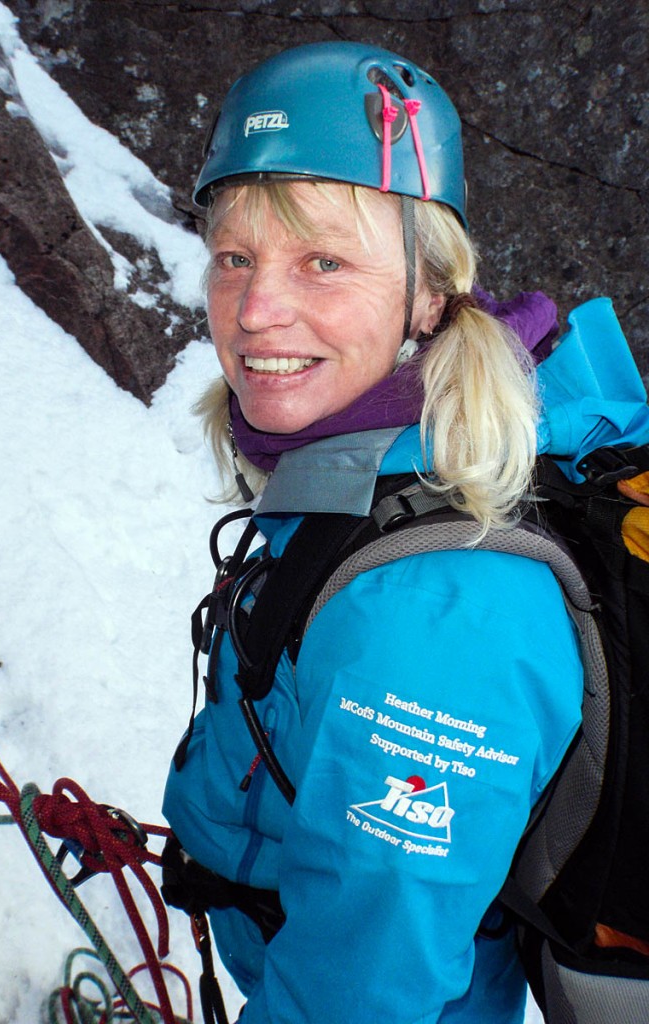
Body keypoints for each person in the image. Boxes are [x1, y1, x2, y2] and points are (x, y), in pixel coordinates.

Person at [161, 41, 649, 1024]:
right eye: (235, 256)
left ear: (430, 292)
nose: (255, 311)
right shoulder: (378, 461)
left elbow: (365, 1002)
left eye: (323, 261)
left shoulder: (433, 613)